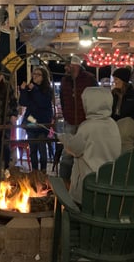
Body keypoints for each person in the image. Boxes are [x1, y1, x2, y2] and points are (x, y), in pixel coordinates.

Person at [57, 87, 121, 204]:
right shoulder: (113, 124)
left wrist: (65, 139)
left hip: (89, 187)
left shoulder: (88, 127)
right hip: (109, 184)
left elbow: (74, 149)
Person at [59, 55, 97, 187]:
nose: (65, 68)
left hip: (85, 121)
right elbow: (63, 100)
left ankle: (83, 183)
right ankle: (64, 183)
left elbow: (95, 97)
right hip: (70, 121)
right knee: (67, 153)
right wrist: (66, 114)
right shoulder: (65, 80)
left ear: (74, 65)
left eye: (67, 65)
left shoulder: (89, 79)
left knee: (86, 153)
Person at [19, 67, 54, 173]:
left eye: (38, 74)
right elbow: (23, 102)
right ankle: (34, 171)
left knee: (42, 149)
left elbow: (42, 102)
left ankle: (43, 171)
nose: (35, 76)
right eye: (34, 74)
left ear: (43, 77)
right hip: (31, 122)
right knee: (33, 149)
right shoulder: (31, 88)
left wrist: (34, 89)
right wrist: (24, 91)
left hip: (43, 123)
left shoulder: (47, 90)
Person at [111, 67, 134, 148]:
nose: (114, 81)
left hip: (133, 131)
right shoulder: (113, 95)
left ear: (123, 80)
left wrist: (130, 120)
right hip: (116, 129)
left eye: (116, 79)